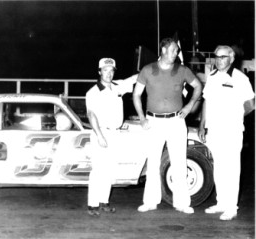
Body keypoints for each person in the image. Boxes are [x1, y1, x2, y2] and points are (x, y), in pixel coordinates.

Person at [133, 38, 202, 214]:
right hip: (153, 121)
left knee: (179, 161)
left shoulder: (182, 70)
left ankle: (182, 203)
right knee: (153, 162)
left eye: (177, 51)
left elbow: (198, 86)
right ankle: (150, 201)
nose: (176, 54)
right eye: (173, 50)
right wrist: (142, 118)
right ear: (163, 50)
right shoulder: (147, 70)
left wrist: (189, 106)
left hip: (176, 122)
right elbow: (136, 95)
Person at [198, 45, 255, 221]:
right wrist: (202, 125)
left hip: (232, 131)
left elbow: (251, 104)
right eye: (216, 56)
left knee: (231, 168)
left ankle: (231, 207)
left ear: (231, 58)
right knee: (219, 168)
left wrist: (234, 115)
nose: (218, 60)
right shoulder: (213, 76)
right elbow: (206, 101)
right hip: (214, 130)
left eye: (222, 57)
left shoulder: (240, 78)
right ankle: (221, 202)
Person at [86, 58, 138, 216]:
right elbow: (91, 114)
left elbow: (135, 78)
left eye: (111, 71)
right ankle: (92, 205)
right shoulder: (93, 92)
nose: (108, 74)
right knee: (98, 170)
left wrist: (154, 66)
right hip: (99, 133)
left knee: (109, 169)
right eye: (105, 70)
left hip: (115, 133)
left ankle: (104, 202)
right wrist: (100, 136)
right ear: (99, 71)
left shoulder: (118, 86)